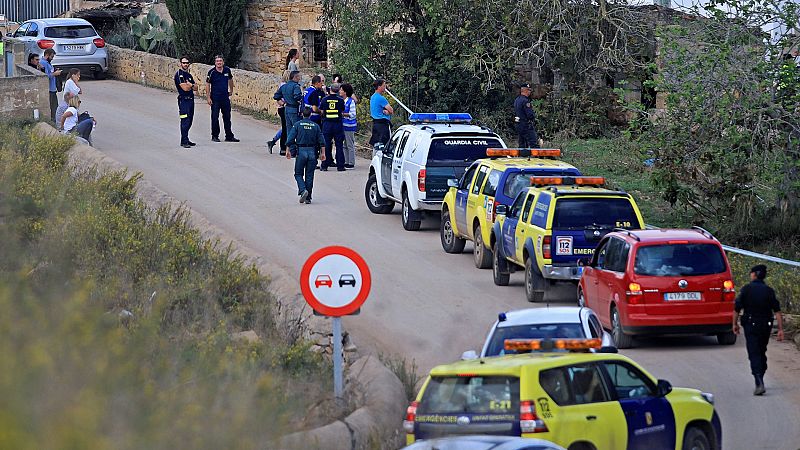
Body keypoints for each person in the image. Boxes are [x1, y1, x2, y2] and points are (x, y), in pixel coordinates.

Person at [734, 264, 785, 396]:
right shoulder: (769, 291)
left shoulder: (746, 289)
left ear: (754, 274)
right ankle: (761, 374)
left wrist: (734, 324)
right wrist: (780, 329)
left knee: (754, 352)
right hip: (766, 325)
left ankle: (758, 380)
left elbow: (737, 309)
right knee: (761, 350)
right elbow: (778, 312)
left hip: (751, 324)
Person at [286, 107, 326, 204]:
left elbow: (290, 139)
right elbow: (322, 141)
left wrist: (288, 150)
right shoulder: (316, 126)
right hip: (312, 152)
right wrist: (323, 153)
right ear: (311, 115)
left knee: (298, 174)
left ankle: (303, 190)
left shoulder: (297, 125)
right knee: (309, 175)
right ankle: (308, 198)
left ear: (302, 114)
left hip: (301, 151)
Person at [206, 55, 239, 142]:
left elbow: (230, 79)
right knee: (215, 117)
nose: (219, 62)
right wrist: (208, 97)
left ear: (223, 62)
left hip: (225, 98)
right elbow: (207, 84)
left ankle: (229, 136)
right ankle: (215, 136)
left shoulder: (227, 70)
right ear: (215, 63)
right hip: (215, 98)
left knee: (227, 117)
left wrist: (231, 90)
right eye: (217, 61)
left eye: (220, 61)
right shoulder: (211, 72)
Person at [320, 82, 346, 172]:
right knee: (339, 145)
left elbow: (322, 110)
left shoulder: (324, 99)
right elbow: (342, 110)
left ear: (330, 89)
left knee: (326, 145)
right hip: (337, 124)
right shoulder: (340, 100)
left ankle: (324, 165)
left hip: (327, 124)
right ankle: (340, 166)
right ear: (338, 90)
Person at [175, 56, 198, 148]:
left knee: (190, 120)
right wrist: (191, 86)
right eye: (183, 63)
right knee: (185, 120)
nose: (185, 64)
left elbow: (196, 88)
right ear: (180, 63)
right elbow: (184, 88)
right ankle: (184, 141)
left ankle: (186, 138)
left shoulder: (189, 75)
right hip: (183, 101)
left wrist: (190, 85)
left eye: (187, 63)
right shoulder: (179, 75)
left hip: (190, 100)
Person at [274, 70, 303, 139]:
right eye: (299, 77)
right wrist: (301, 98)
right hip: (294, 109)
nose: (300, 78)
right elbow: (297, 97)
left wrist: (282, 101)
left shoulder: (284, 86)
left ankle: (289, 148)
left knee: (289, 130)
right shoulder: (296, 86)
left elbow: (276, 96)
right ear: (295, 77)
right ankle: (298, 147)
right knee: (297, 128)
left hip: (287, 109)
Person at [513, 83, 540, 148]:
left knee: (522, 144)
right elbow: (530, 115)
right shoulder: (525, 101)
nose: (530, 92)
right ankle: (539, 157)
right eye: (529, 90)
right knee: (533, 142)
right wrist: (534, 119)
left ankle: (522, 157)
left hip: (518, 124)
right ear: (526, 91)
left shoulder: (517, 100)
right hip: (525, 125)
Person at [369, 78, 393, 147]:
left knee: (376, 145)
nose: (385, 88)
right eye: (384, 86)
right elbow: (391, 110)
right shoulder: (381, 98)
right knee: (384, 146)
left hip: (375, 124)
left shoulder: (373, 97)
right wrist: (388, 112)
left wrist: (386, 111)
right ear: (379, 87)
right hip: (383, 125)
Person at [41, 49, 63, 122]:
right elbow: (45, 76)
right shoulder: (43, 63)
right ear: (47, 55)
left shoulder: (48, 63)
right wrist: (55, 74)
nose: (52, 58)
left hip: (52, 88)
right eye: (51, 56)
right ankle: (53, 123)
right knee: (53, 108)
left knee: (55, 108)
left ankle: (55, 122)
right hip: (49, 89)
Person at [273, 70, 290, 155]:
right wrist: (283, 103)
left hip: (282, 108)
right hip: (283, 108)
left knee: (285, 127)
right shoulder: (284, 86)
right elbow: (277, 97)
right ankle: (283, 147)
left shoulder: (282, 85)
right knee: (285, 128)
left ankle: (282, 145)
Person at [341, 83, 357, 168]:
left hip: (349, 126)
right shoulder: (342, 100)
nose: (340, 91)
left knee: (350, 144)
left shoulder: (351, 102)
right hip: (343, 125)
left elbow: (353, 114)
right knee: (344, 145)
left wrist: (343, 114)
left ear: (345, 92)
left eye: (342, 90)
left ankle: (351, 162)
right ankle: (346, 161)